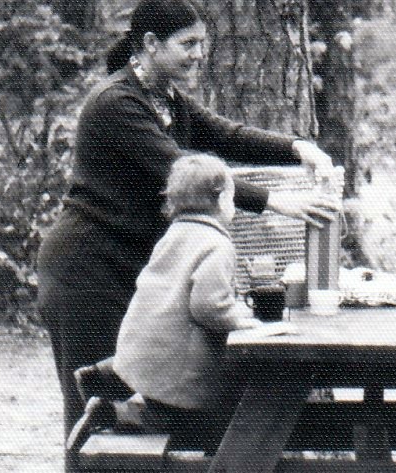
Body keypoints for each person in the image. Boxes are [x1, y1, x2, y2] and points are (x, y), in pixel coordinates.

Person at [38, 0, 338, 473]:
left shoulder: (161, 96)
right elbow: (185, 172)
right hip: (84, 273)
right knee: (95, 415)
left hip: (124, 272)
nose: (199, 56)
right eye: (188, 46)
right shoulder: (115, 104)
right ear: (149, 46)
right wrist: (272, 198)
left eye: (203, 44)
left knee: (114, 411)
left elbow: (219, 134)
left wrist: (292, 148)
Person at [69, 154, 261, 454]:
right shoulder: (217, 244)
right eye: (233, 198)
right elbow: (208, 307)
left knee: (160, 394)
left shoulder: (173, 234)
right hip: (175, 365)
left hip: (140, 351)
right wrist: (240, 318)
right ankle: (111, 413)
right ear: (223, 200)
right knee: (180, 421)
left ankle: (104, 376)